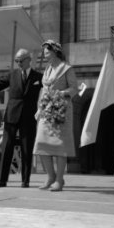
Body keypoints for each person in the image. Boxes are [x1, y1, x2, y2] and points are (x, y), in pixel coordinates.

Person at [0, 48, 42, 188]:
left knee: (26, 148)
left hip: (29, 117)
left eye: (21, 60)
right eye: (16, 61)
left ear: (29, 60)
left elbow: (51, 87)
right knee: (7, 147)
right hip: (12, 115)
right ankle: (2, 180)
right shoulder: (12, 75)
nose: (18, 63)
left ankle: (25, 180)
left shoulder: (38, 77)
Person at [33, 39, 78, 191]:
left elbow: (74, 88)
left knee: (60, 145)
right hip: (46, 109)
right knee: (41, 143)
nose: (45, 54)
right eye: (44, 51)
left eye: (47, 51)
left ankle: (59, 179)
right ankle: (50, 177)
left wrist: (62, 93)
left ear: (55, 51)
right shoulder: (47, 70)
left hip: (61, 110)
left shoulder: (67, 68)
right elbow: (44, 91)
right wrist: (39, 108)